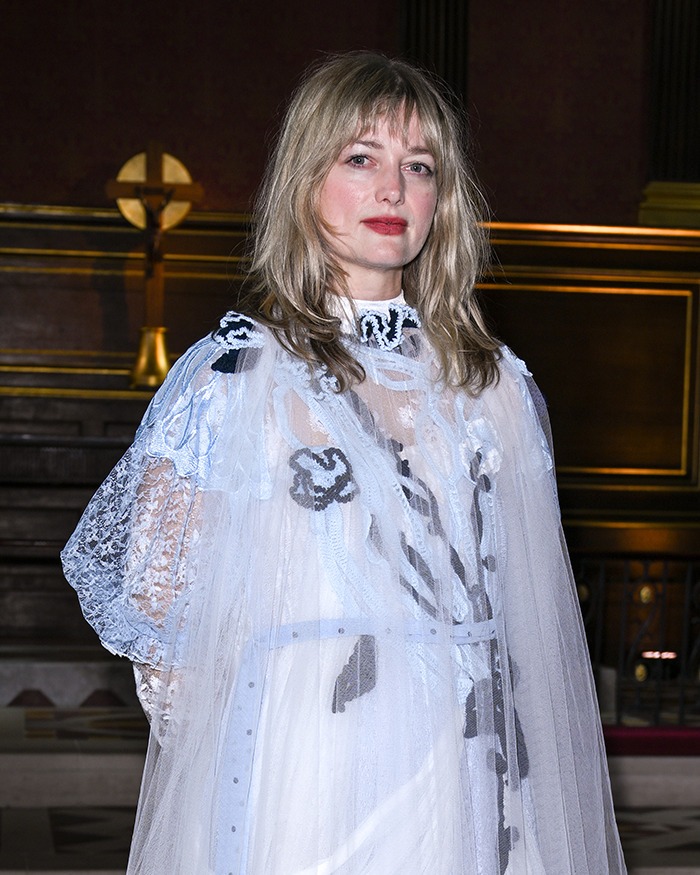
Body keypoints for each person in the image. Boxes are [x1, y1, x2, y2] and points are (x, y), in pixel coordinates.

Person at [61, 52, 626, 874]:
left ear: (445, 199)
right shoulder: (237, 374)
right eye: (361, 158)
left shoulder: (494, 383)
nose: (394, 189)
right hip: (305, 762)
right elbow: (158, 596)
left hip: (464, 759)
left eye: (419, 166)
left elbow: (529, 615)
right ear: (305, 180)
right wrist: (250, 743)